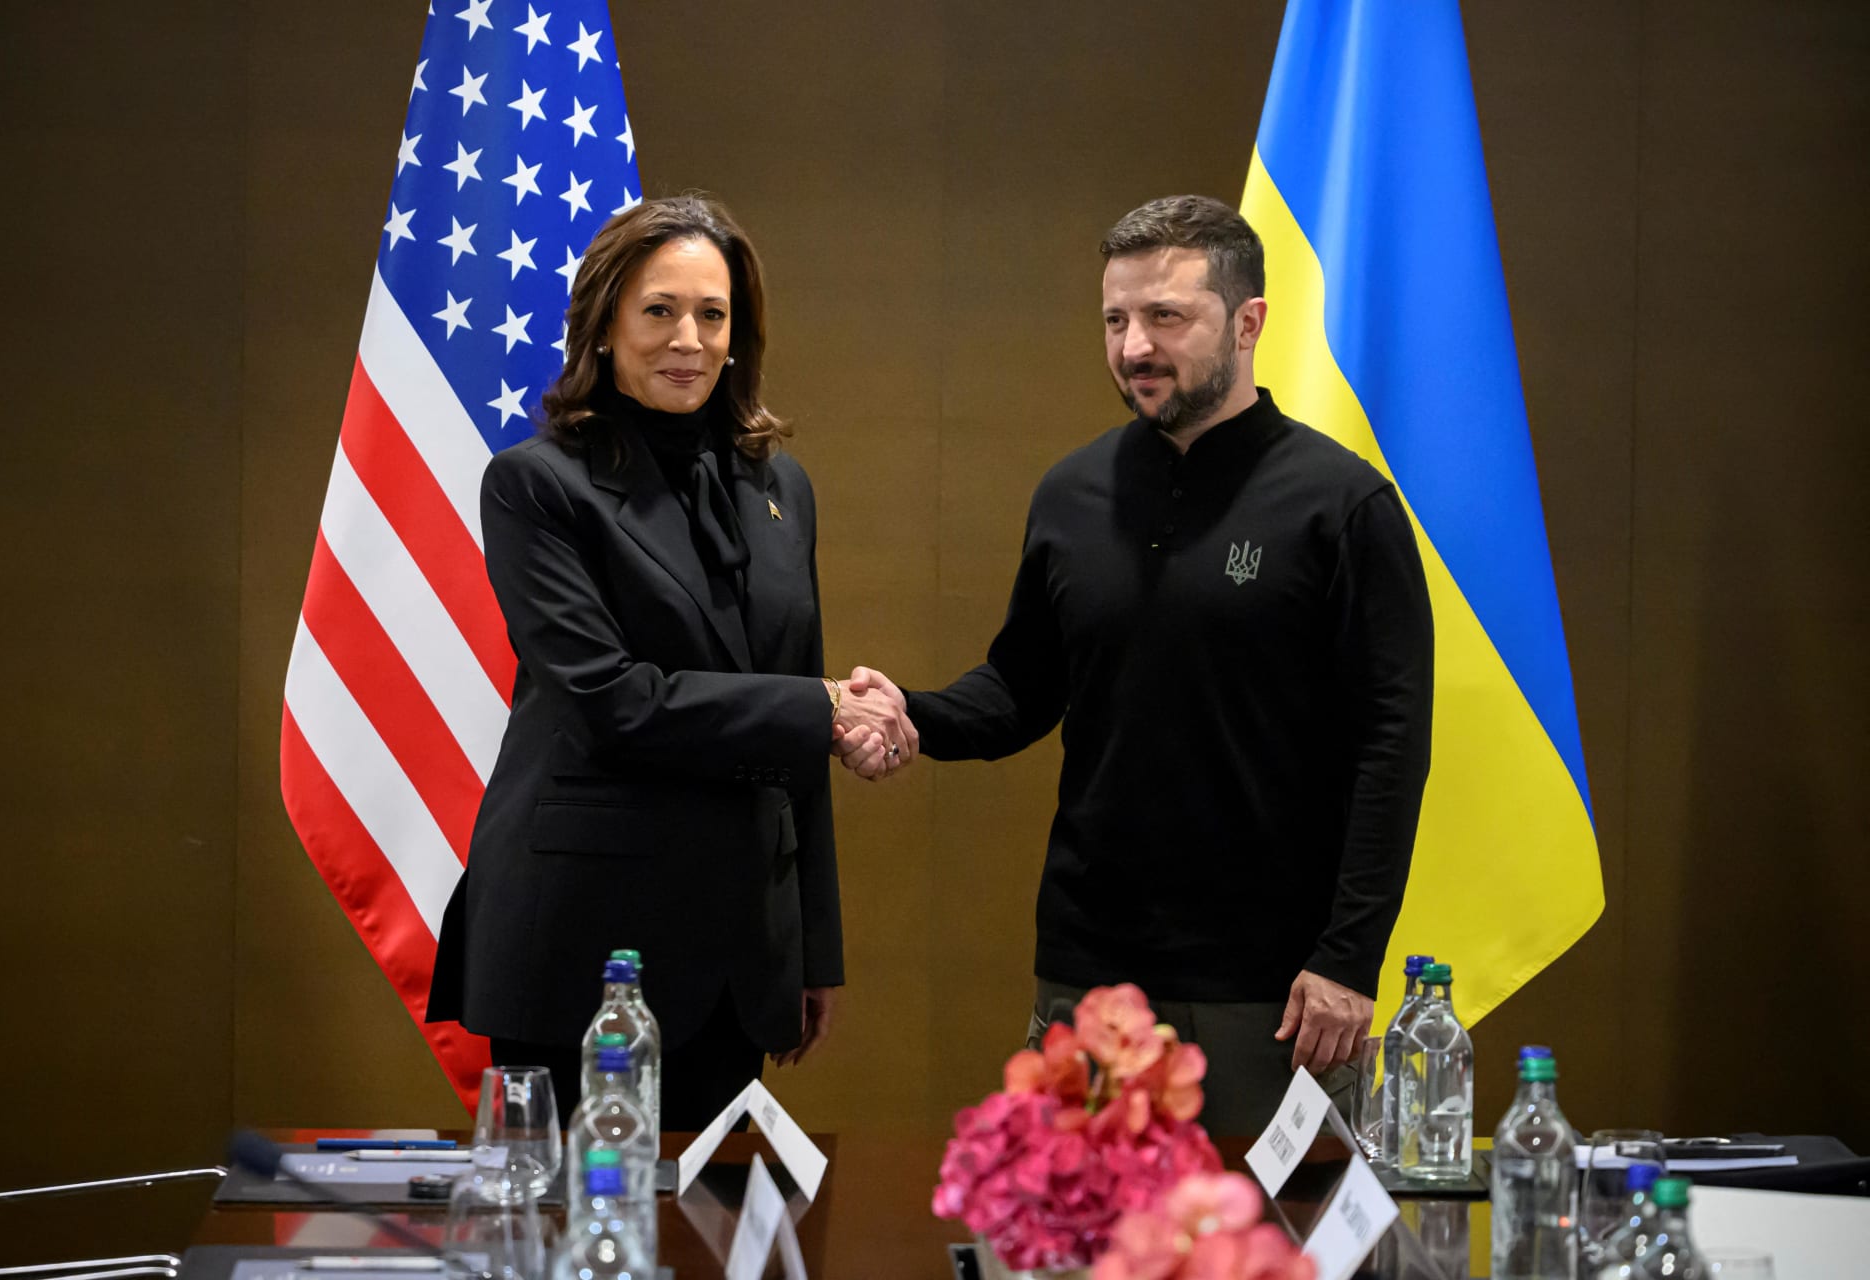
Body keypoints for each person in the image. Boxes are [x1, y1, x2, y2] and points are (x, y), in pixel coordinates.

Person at [835, 194, 1434, 1134]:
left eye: (1166, 317)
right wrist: (909, 711)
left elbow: (1391, 747)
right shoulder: (1071, 493)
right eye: (1115, 319)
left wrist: (1350, 959)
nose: (1134, 347)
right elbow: (1022, 689)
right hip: (1088, 970)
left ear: (1249, 323)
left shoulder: (1343, 506)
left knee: (1268, 1260)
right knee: (1075, 1252)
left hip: (1274, 990)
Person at [427, 195, 915, 1126]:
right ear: (604, 324)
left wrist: (813, 951)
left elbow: (791, 730)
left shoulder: (780, 488)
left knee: (707, 1251)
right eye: (659, 311)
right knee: (577, 1250)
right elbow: (613, 701)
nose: (687, 338)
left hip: (738, 960)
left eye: (712, 314)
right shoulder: (536, 483)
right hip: (582, 947)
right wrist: (823, 707)